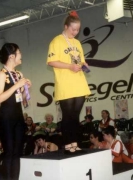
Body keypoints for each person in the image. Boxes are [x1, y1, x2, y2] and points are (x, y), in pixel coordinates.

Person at [47, 11, 91, 153]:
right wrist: (69, 67)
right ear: (66, 27)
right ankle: (67, 143)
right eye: (73, 29)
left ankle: (75, 142)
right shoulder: (56, 41)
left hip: (79, 82)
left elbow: (80, 60)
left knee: (75, 116)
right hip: (65, 83)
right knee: (67, 115)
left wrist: (84, 65)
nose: (76, 32)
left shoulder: (77, 42)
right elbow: (51, 61)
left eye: (78, 29)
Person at [0, 43, 31, 180]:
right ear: (11, 56)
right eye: (19, 52)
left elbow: (20, 99)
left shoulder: (19, 74)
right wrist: (17, 85)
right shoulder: (1, 74)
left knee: (17, 152)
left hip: (18, 115)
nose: (21, 55)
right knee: (9, 152)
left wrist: (24, 89)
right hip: (6, 116)